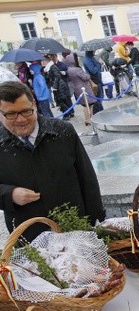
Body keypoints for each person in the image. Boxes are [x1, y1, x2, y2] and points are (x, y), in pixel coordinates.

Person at [0, 81, 105, 241]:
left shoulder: (63, 131)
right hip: (30, 235)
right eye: (11, 114)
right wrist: (10, 194)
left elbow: (87, 179)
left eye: (26, 111)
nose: (20, 119)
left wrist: (97, 222)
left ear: (34, 104)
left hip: (74, 229)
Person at [64, 53, 99, 123]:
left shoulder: (69, 69)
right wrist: (87, 74)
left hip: (77, 88)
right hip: (84, 87)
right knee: (89, 104)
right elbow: (85, 77)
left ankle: (87, 119)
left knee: (84, 105)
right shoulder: (77, 69)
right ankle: (90, 119)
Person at [43, 56, 72, 121]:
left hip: (59, 86)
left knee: (62, 100)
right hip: (57, 86)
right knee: (61, 100)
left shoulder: (52, 67)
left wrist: (55, 86)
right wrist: (45, 73)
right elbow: (48, 78)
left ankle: (66, 114)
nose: (42, 62)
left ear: (47, 61)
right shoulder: (48, 68)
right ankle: (67, 113)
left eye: (43, 61)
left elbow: (57, 76)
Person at [83, 50, 104, 114]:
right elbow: (93, 70)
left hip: (97, 80)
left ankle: (101, 111)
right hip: (94, 81)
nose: (95, 52)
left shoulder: (91, 57)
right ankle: (98, 112)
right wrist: (98, 63)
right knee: (97, 98)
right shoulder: (87, 59)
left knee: (100, 97)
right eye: (94, 51)